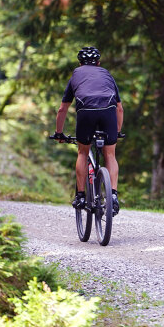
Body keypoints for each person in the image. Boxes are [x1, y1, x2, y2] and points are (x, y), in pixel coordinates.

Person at [53, 47, 124, 216]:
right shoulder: (106, 74)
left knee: (83, 153)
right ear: (98, 63)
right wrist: (117, 131)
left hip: (86, 113)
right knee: (110, 155)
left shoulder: (76, 75)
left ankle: (81, 196)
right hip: (108, 112)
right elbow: (119, 109)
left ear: (80, 63)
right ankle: (113, 195)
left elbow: (63, 109)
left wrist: (59, 133)